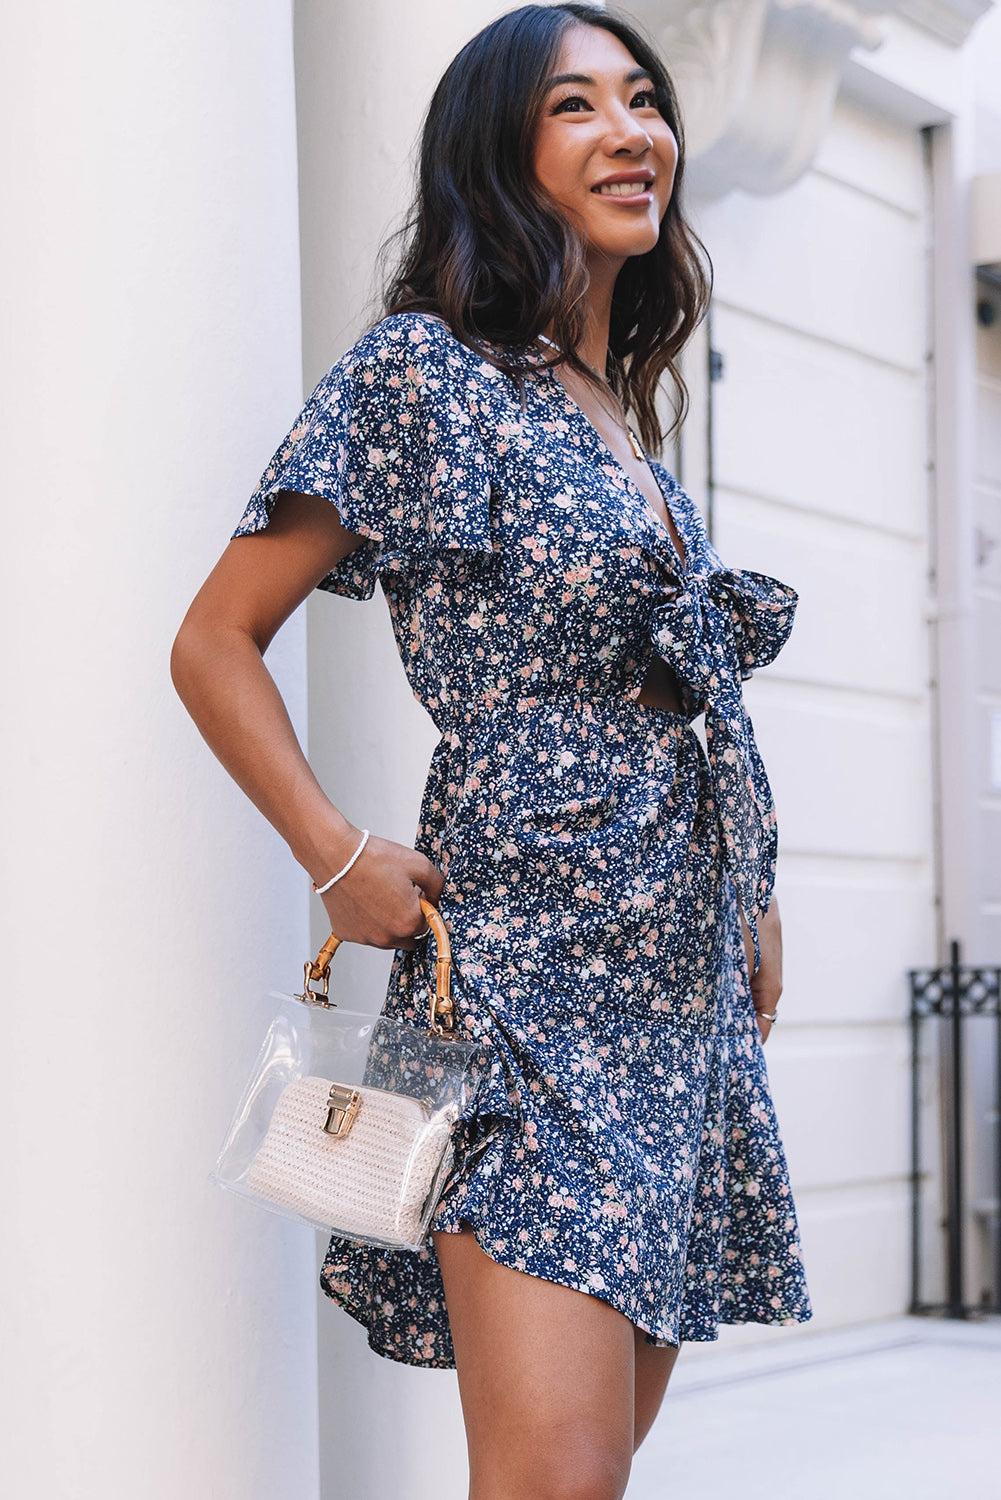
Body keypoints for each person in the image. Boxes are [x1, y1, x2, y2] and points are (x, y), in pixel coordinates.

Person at [171, 4, 812, 1495]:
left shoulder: (617, 412)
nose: (629, 131)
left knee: (598, 1467)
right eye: (574, 108)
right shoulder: (427, 377)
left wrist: (751, 894)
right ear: (499, 158)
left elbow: (677, 687)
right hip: (522, 971)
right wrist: (334, 857)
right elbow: (213, 641)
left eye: (640, 101)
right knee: (555, 1475)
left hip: (678, 983)